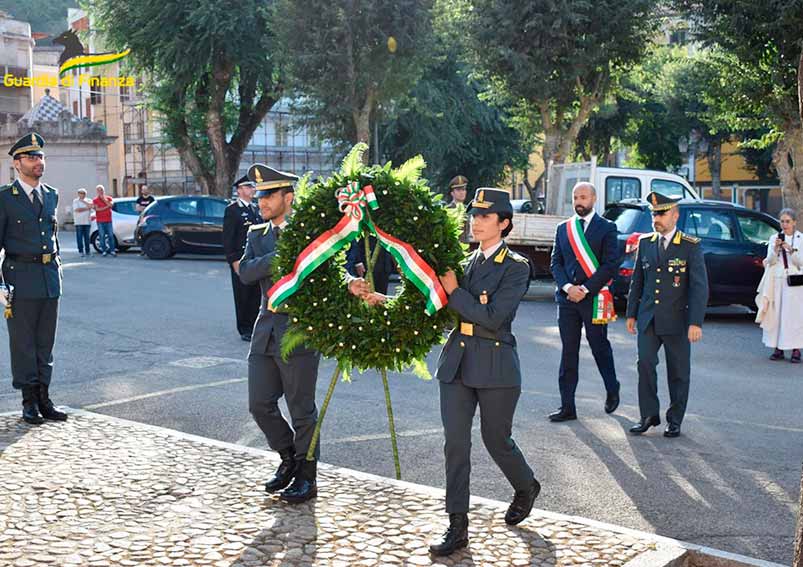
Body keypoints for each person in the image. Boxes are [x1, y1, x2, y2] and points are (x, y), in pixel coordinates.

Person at [430, 188, 539, 556]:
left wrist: (454, 291)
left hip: (495, 366)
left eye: (484, 216)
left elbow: (493, 318)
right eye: (473, 215)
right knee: (455, 445)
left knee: (497, 440)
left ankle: (525, 486)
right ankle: (457, 524)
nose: (474, 221)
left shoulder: (517, 267)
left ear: (504, 223)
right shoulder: (464, 261)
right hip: (457, 362)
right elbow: (445, 308)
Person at [239, 163, 321, 504]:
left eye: (269, 195)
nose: (262, 201)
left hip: (299, 331)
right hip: (266, 328)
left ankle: (307, 476)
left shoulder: (310, 236)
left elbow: (328, 275)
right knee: (259, 404)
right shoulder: (256, 235)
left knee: (301, 409)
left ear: (289, 197)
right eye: (259, 195)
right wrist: (280, 256)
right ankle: (288, 457)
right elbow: (245, 272)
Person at [626, 192, 708, 438]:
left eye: (661, 213)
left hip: (678, 320)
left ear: (675, 215)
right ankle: (648, 415)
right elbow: (637, 281)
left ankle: (675, 420)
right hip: (649, 317)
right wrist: (631, 313)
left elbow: (699, 287)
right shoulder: (645, 242)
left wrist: (695, 322)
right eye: (653, 214)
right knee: (645, 364)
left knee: (679, 372)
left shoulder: (690, 246)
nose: (656, 218)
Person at [0, 132, 68, 424]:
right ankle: (29, 401)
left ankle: (45, 398)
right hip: (19, 278)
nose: (38, 162)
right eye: (31, 157)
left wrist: (57, 268)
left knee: (45, 343)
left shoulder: (51, 194)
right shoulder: (5, 198)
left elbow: (51, 238)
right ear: (17, 164)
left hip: (49, 278)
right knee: (23, 343)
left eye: (40, 156)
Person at [548, 182, 622, 423]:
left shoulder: (607, 228)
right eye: (575, 197)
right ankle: (567, 406)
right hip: (568, 299)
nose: (579, 201)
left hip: (594, 298)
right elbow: (555, 263)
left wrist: (586, 289)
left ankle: (612, 388)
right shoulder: (563, 228)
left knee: (599, 346)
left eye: (583, 197)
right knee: (569, 352)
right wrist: (568, 287)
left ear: (594, 199)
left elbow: (610, 265)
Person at [757, 208, 803, 362]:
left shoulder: (800, 239)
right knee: (777, 314)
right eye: (782, 221)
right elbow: (770, 261)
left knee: (793, 316)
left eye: (788, 221)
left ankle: (796, 349)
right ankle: (778, 348)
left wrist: (791, 250)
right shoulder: (773, 238)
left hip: (795, 281)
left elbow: (800, 262)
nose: (784, 224)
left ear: (794, 222)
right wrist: (776, 249)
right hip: (777, 280)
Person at [223, 175, 261, 341]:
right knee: (243, 294)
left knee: (256, 294)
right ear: (239, 190)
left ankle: (255, 325)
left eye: (252, 186)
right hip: (242, 259)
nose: (252, 189)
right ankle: (245, 328)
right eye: (248, 186)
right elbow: (228, 238)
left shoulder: (255, 209)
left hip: (256, 258)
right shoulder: (232, 210)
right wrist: (233, 261)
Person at [446, 175, 470, 243]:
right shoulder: (447, 210)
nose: (462, 192)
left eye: (463, 189)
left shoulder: (469, 209)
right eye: (458, 190)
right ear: (452, 193)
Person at [93, 185, 115, 256]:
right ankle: (104, 251)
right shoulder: (95, 200)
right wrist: (106, 207)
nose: (100, 191)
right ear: (97, 191)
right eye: (99, 190)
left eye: (101, 190)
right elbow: (97, 209)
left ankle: (112, 250)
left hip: (109, 220)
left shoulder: (109, 198)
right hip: (100, 221)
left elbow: (111, 205)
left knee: (111, 236)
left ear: (104, 190)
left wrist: (104, 200)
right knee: (101, 236)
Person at [72, 188, 93, 257]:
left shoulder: (89, 200)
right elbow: (77, 210)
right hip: (79, 222)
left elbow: (92, 206)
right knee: (79, 237)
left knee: (87, 237)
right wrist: (87, 208)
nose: (82, 194)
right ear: (78, 194)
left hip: (87, 221)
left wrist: (84, 202)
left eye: (83, 193)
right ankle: (81, 251)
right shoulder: (75, 201)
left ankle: (88, 251)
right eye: (80, 193)